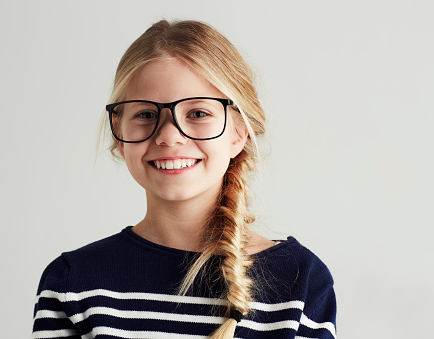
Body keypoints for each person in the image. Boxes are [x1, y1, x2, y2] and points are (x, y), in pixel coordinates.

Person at [32, 20, 336, 339]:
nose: (168, 136)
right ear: (119, 133)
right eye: (146, 114)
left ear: (239, 132)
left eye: (198, 113)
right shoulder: (73, 282)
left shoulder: (301, 281)